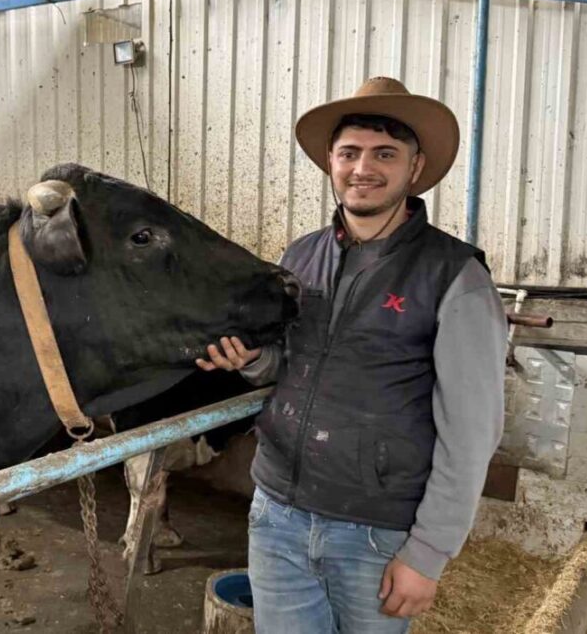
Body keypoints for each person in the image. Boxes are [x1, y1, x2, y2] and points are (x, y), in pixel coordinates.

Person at [196, 77, 507, 633]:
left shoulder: (455, 276)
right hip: (276, 515)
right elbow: (286, 368)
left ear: (414, 169)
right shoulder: (300, 256)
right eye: (350, 153)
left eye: (384, 154)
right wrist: (247, 360)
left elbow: (472, 429)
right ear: (331, 163)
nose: (363, 168)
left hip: (375, 532)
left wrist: (428, 553)